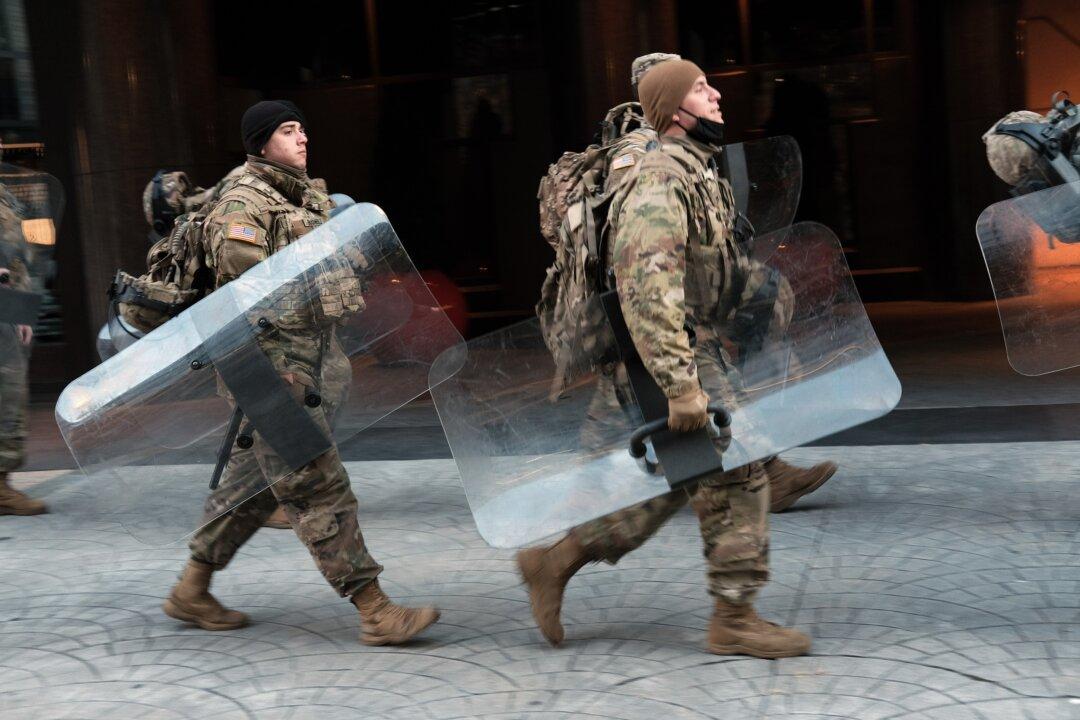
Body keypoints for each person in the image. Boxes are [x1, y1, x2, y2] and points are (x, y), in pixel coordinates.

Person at [518, 60, 812, 658]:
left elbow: (707, 267)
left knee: (688, 477)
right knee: (737, 475)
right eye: (701, 89)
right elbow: (647, 288)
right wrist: (680, 386)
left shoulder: (692, 170)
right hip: (665, 351)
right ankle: (734, 619)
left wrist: (759, 299)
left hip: (680, 345)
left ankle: (557, 560)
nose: (716, 93)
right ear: (675, 110)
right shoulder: (660, 179)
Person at [164, 100, 439, 646]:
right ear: (261, 143)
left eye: (303, 128)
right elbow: (246, 298)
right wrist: (276, 375)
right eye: (289, 131)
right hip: (269, 366)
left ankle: (190, 590)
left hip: (307, 358)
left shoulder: (299, 195)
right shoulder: (243, 203)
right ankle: (374, 608)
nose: (302, 137)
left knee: (252, 486)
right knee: (315, 480)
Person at [0, 147, 46, 516]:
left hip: (6, 309)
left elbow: (18, 258)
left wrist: (23, 312)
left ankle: (1, 484)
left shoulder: (5, 196)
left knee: (9, 394)